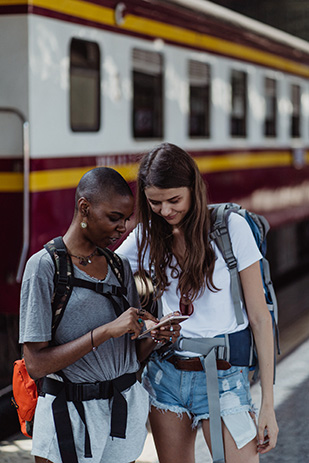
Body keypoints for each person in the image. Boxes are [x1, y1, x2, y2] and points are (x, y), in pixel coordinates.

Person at [117, 143, 279, 463]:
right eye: (155, 203)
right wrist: (147, 322)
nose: (165, 211)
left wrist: (268, 407)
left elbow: (261, 318)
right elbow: (105, 274)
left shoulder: (231, 228)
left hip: (226, 377)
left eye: (174, 200)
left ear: (194, 189)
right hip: (166, 377)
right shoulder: (146, 237)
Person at [19, 166, 181, 463]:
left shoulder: (119, 267)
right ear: (84, 208)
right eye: (114, 218)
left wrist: (156, 338)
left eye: (126, 220)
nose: (122, 228)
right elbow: (36, 364)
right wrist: (105, 331)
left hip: (122, 413)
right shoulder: (44, 267)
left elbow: (129, 354)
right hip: (68, 416)